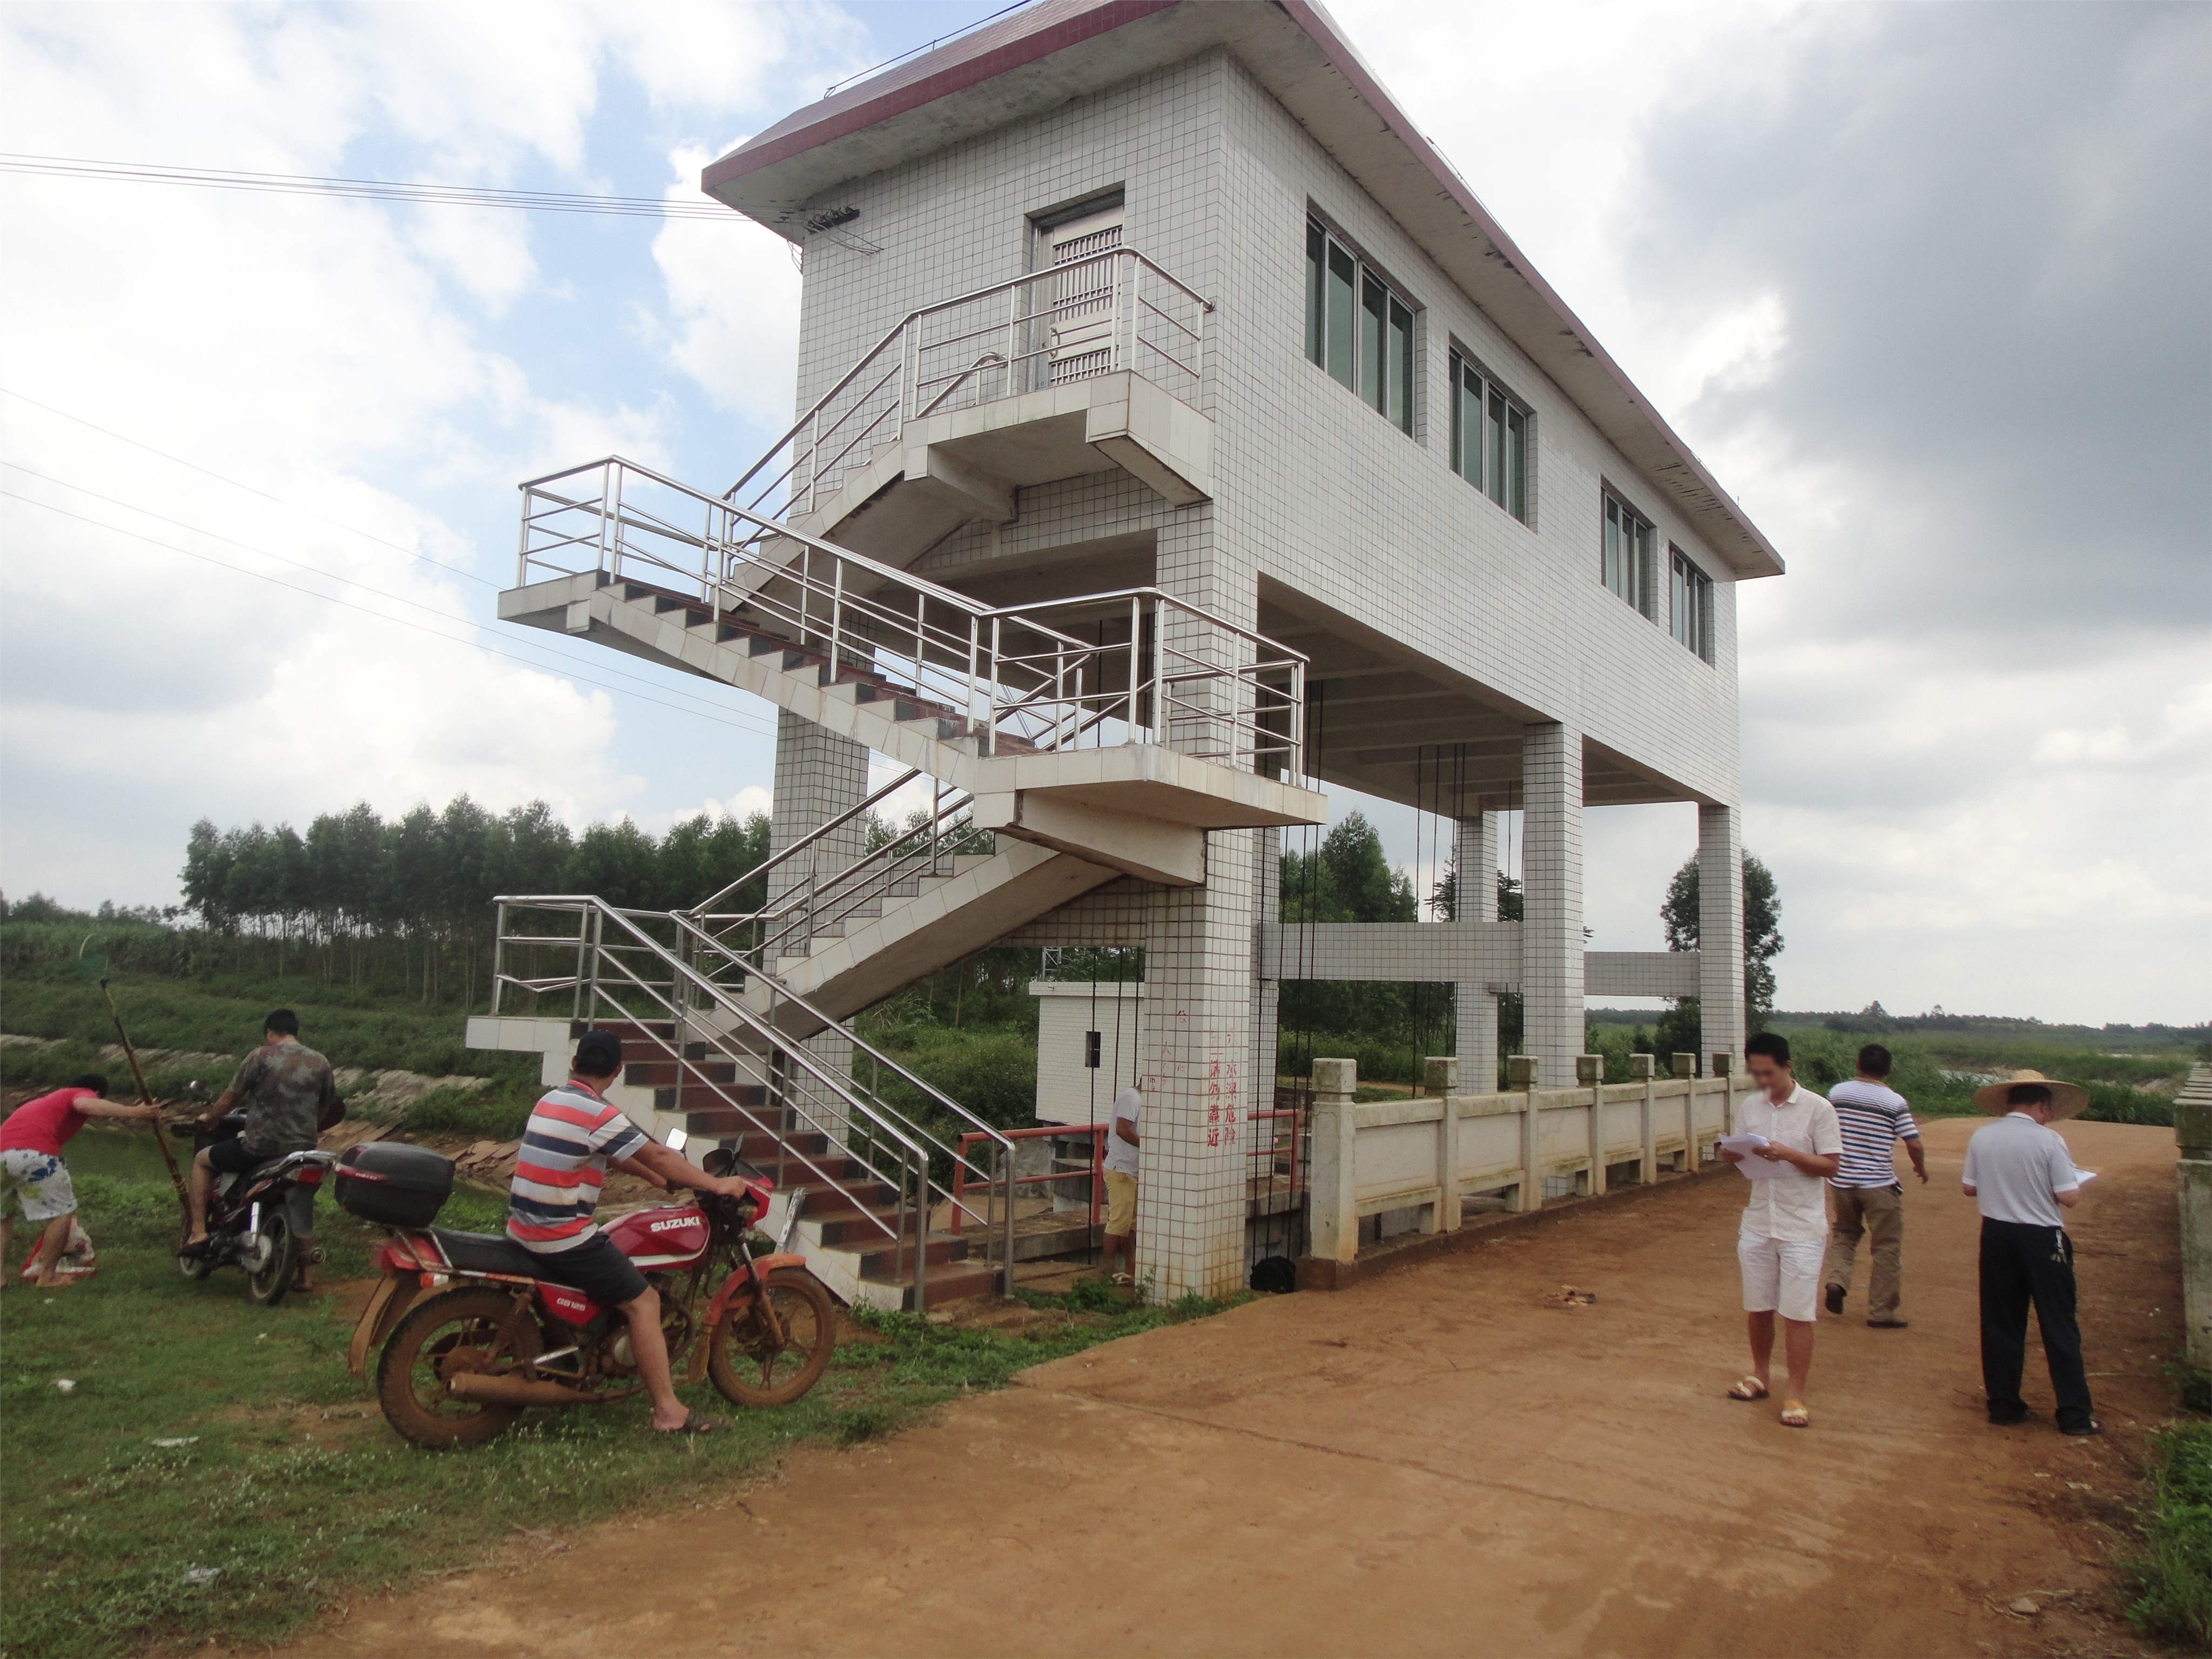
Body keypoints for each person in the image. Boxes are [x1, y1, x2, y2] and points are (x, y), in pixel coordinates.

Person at [509, 1028, 756, 1434]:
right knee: (644, 1303)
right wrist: (716, 1184)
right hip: (560, 1238)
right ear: (618, 1070)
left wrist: (658, 1180)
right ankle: (668, 1412)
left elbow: (622, 1155)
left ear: (574, 1064)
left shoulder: (553, 1100)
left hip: (524, 1229)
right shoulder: (598, 1113)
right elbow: (659, 1154)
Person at [1961, 1071, 2098, 1437]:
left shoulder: (1982, 1136)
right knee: (2059, 1325)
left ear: (2009, 1104)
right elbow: (2068, 1196)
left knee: (2000, 1321)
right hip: (2041, 1237)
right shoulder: (2050, 1141)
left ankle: (2004, 1405)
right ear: (2041, 1105)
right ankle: (2074, 1414)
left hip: (1996, 1235)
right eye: (2048, 1109)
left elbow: (1968, 1188)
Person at [1719, 1032, 1842, 1428]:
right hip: (1758, 1220)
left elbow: (1830, 1165)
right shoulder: (1750, 1107)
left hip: (1801, 1226)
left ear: (1788, 1067)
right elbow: (1738, 1159)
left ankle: (1796, 1393)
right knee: (1758, 1306)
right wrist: (1732, 1153)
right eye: (1756, 1073)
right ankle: (1760, 1375)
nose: (1763, 1081)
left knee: (1797, 1312)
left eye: (1769, 1072)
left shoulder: (1818, 1109)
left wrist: (1788, 1154)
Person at [184, 1009, 342, 1289]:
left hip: (259, 1147)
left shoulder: (261, 1056)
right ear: (294, 1032)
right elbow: (326, 1106)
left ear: (270, 1032)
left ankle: (198, 1232)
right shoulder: (321, 1062)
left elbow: (233, 1095)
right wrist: (309, 1130)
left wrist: (211, 1118)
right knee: (301, 1203)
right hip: (301, 1152)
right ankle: (305, 1277)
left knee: (201, 1160)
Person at [1, 1075, 162, 1287]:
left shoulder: (43, 1102)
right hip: (34, 1155)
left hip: (2, 1156)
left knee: (3, 1218)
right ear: (98, 1094)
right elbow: (85, 1104)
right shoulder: (78, 1094)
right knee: (61, 1216)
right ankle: (48, 1277)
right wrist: (136, 1113)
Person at [1822, 1043, 1927, 1327]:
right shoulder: (1894, 1102)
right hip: (1878, 1183)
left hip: (1842, 1180)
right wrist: (1920, 1168)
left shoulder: (1837, 1094)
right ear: (1889, 1071)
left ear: (1858, 1064)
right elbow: (1914, 1143)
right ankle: (1881, 1312)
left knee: (1845, 1233)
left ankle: (1836, 1282)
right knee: (1886, 1246)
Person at [1099, 1083, 1142, 1288]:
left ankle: (1130, 1268)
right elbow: (1122, 1129)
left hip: (1132, 1170)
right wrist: (1148, 1146)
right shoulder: (1131, 1099)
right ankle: (1107, 1267)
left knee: (1130, 1224)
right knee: (1118, 1222)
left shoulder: (1142, 1100)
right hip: (1121, 1170)